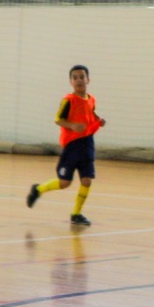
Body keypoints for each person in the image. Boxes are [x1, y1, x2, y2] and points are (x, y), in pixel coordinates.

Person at [27, 64, 102, 226]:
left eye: (82, 77)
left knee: (87, 180)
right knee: (64, 183)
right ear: (70, 81)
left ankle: (76, 214)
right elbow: (58, 119)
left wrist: (99, 120)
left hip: (87, 144)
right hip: (72, 146)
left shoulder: (92, 99)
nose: (79, 80)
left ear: (88, 80)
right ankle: (38, 189)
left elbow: (91, 114)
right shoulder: (68, 101)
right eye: (75, 78)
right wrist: (72, 125)